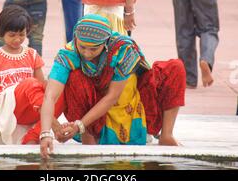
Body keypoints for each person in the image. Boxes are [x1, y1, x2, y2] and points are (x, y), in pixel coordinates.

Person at [40, 14, 186, 158]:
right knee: (75, 78)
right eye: (82, 47)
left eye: (93, 49)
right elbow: (50, 95)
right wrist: (46, 133)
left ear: (105, 44)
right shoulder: (67, 54)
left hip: (131, 104)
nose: (86, 53)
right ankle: (89, 138)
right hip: (95, 112)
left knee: (176, 67)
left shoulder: (123, 49)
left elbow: (112, 96)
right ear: (76, 38)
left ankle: (166, 135)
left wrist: (79, 125)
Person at [0, 5, 64, 144]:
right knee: (29, 83)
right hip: (6, 111)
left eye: (21, 34)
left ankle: (33, 136)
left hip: (29, 109)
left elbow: (43, 86)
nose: (17, 39)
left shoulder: (32, 54)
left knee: (60, 91)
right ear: (2, 33)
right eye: (12, 35)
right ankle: (54, 124)